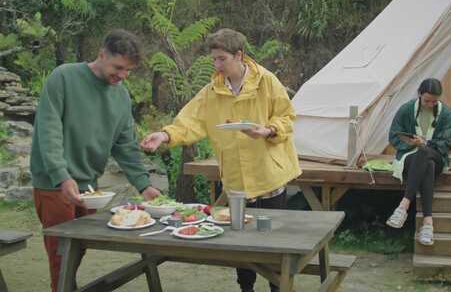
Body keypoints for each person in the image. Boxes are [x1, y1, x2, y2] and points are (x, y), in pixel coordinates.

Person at [141, 28, 301, 292]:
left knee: (273, 245)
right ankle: (246, 289)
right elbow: (189, 122)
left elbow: (287, 117)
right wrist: (164, 135)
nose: (216, 65)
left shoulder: (267, 81)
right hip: (237, 181)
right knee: (240, 245)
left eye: (221, 59)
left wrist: (267, 130)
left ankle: (278, 288)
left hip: (269, 176)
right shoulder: (211, 91)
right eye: (213, 59)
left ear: (239, 56)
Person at [30, 29, 161, 291]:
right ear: (101, 55)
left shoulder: (121, 95)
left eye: (128, 71)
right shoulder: (64, 77)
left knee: (77, 251)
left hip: (89, 186)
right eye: (118, 67)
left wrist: (144, 185)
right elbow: (49, 129)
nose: (123, 76)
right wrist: (61, 175)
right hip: (53, 183)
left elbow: (124, 146)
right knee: (60, 254)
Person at [385, 78, 451, 246]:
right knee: (426, 164)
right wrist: (411, 143)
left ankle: (403, 206)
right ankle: (428, 224)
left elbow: (446, 143)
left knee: (426, 154)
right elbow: (393, 135)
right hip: (411, 156)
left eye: (434, 101)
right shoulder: (406, 109)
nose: (430, 104)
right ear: (419, 95)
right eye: (426, 100)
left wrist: (426, 144)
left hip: (436, 156)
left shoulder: (446, 114)